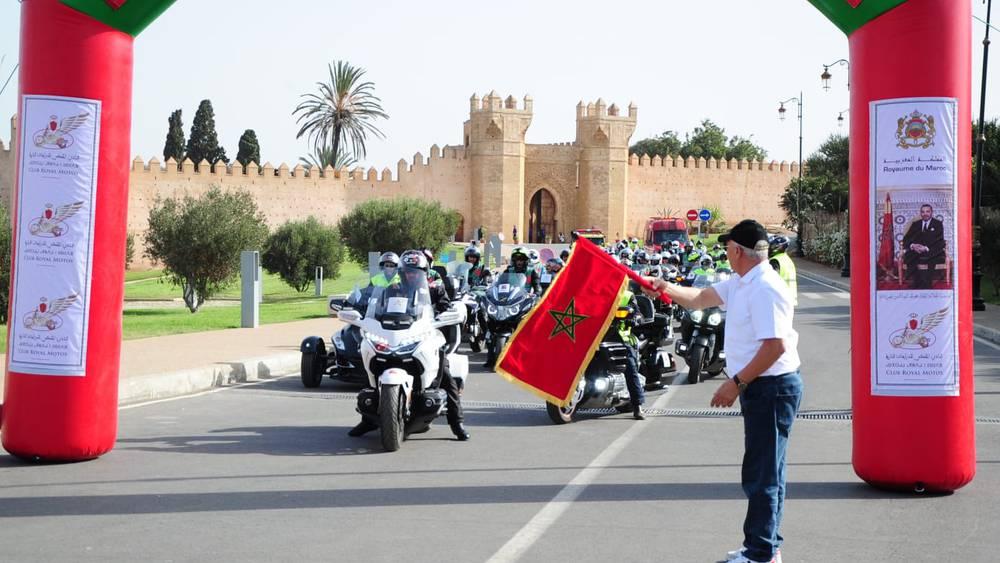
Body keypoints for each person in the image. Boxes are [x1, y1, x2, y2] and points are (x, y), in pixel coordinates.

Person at [644, 219, 801, 563]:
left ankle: (761, 552)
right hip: (763, 386)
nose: (726, 253)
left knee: (763, 474)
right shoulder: (743, 281)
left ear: (737, 251)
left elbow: (774, 347)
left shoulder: (765, 288)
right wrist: (663, 287)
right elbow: (700, 298)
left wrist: (736, 383)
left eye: (728, 247)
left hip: (771, 386)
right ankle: (764, 545)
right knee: (766, 471)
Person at [348, 250, 470, 441]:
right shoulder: (390, 282)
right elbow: (369, 297)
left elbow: (445, 306)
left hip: (425, 332)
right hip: (392, 332)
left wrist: (448, 313)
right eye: (407, 271)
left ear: (424, 270)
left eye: (415, 271)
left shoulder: (434, 283)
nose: (410, 275)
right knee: (370, 369)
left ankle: (457, 423)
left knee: (446, 376)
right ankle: (368, 419)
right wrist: (356, 306)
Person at [606, 288, 646, 420]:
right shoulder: (594, 293)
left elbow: (640, 316)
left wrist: (634, 319)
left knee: (630, 367)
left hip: (620, 339)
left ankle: (637, 406)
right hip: (595, 338)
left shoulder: (627, 295)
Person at [901, 203, 946, 289]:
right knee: (909, 256)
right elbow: (906, 239)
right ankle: (916, 282)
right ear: (920, 213)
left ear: (931, 212)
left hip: (931, 250)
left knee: (932, 256)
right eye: (923, 212)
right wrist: (913, 245)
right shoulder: (915, 224)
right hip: (916, 250)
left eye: (927, 211)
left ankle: (927, 284)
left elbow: (940, 241)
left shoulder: (938, 224)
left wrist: (925, 248)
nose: (925, 214)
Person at [768, 235, 797, 306]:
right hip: (790, 299)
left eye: (770, 246)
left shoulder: (775, 261)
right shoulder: (787, 259)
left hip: (779, 299)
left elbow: (770, 282)